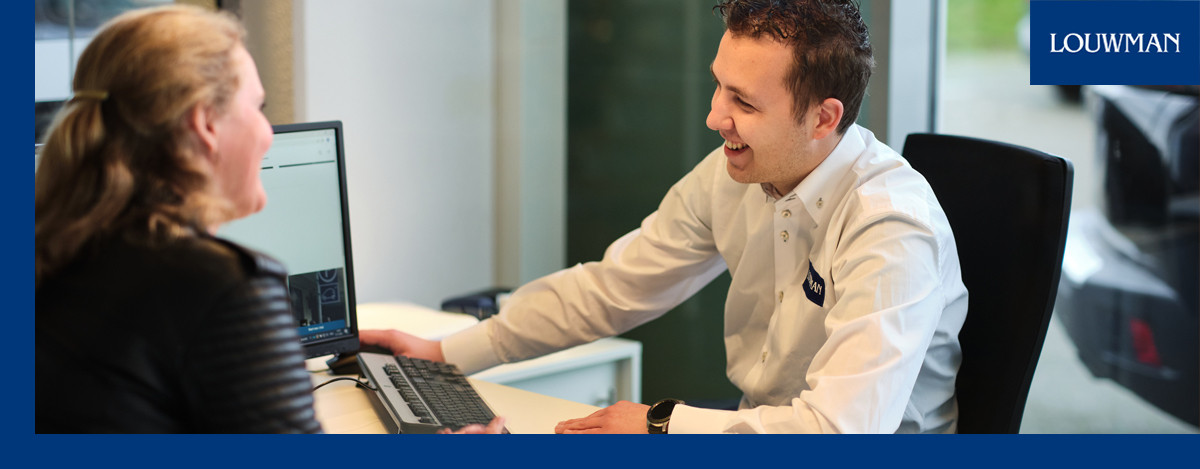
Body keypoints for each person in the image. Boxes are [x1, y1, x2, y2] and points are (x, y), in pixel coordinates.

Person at [363, 0, 968, 434]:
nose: (714, 117)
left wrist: (660, 424)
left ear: (823, 118)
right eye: (719, 87)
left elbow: (838, 431)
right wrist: (445, 353)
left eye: (743, 102)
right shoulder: (739, 172)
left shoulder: (890, 228)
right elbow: (614, 288)